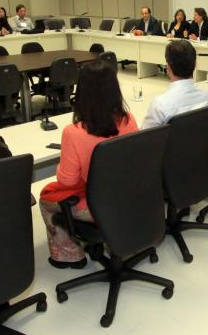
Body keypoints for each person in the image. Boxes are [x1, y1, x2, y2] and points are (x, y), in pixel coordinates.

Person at [38, 61, 139, 268]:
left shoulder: (73, 133)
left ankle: (70, 256)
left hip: (95, 206)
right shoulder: (129, 119)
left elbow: (67, 182)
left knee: (45, 201)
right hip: (128, 197)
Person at [142, 40, 208, 128]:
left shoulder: (160, 105)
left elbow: (143, 139)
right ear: (195, 65)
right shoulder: (207, 98)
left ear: (168, 68)